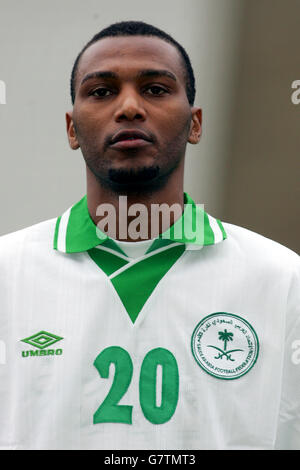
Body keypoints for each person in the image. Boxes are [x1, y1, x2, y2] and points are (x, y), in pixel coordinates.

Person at [0, 20, 299, 451]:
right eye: (101, 91)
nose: (129, 107)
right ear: (71, 128)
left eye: (155, 89)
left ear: (195, 124)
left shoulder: (283, 279)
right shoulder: (9, 274)